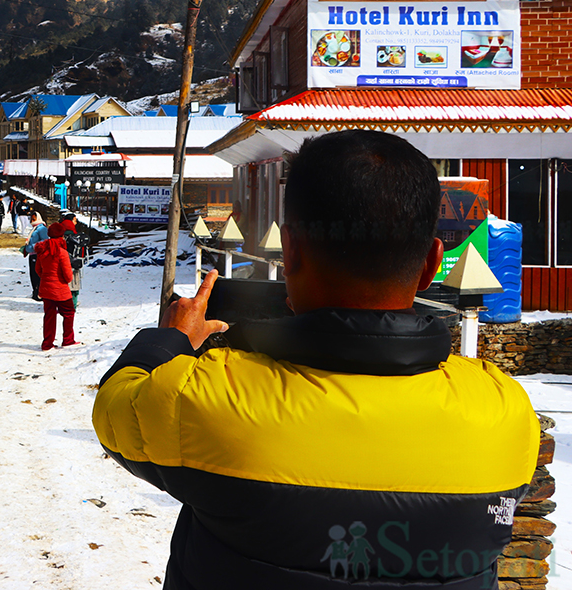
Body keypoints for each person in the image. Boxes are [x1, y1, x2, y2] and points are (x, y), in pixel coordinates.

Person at [92, 130, 538, 589]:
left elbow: (116, 406)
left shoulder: (207, 399)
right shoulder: (504, 411)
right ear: (430, 264)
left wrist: (171, 340)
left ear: (290, 251)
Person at [35, 220, 78, 350]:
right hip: (60, 290)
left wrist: (47, 278)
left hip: (46, 289)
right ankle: (68, 340)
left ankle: (47, 343)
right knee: (69, 313)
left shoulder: (42, 250)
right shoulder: (62, 252)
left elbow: (38, 270)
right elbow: (68, 275)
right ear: (61, 235)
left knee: (49, 315)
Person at [61, 210, 86, 308]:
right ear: (72, 220)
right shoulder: (74, 233)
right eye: (75, 221)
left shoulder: (59, 230)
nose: (76, 223)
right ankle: (72, 305)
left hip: (61, 262)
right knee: (74, 284)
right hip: (74, 262)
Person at [22, 211, 48, 302]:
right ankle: (35, 292)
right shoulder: (35, 228)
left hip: (37, 255)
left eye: (34, 219)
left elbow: (45, 241)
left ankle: (39, 293)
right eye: (31, 219)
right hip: (32, 255)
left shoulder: (41, 229)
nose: (32, 221)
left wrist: (32, 247)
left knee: (37, 275)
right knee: (33, 275)